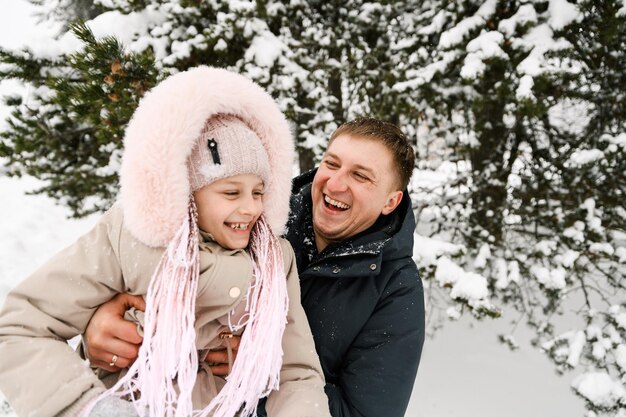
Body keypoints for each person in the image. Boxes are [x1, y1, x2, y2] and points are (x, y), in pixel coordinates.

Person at [0, 67, 331, 417]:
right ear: (189, 193)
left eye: (258, 192)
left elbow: (296, 373)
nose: (250, 207)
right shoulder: (132, 238)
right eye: (231, 192)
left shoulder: (274, 260)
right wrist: (91, 408)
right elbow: (21, 326)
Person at [84, 116, 426, 417]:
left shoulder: (395, 287)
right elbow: (147, 277)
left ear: (390, 202)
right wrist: (96, 330)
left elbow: (362, 413)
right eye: (332, 163)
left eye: (361, 176)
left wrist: (257, 370)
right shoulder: (255, 216)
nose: (336, 183)